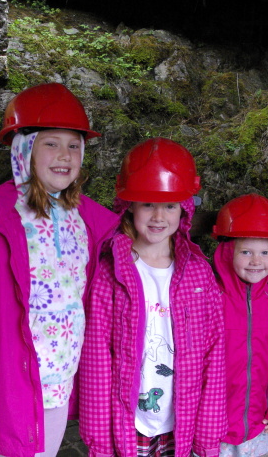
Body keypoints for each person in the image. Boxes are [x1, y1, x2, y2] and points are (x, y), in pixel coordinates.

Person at [0, 83, 119, 457]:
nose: (64, 155)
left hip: (59, 388)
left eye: (74, 145)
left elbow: (151, 230)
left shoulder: (89, 221)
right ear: (24, 148)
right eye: (51, 143)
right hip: (5, 392)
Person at [79, 137, 227, 457]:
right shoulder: (110, 272)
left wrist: (208, 436)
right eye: (148, 203)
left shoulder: (199, 274)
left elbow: (214, 356)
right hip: (129, 424)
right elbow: (96, 358)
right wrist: (99, 442)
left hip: (181, 422)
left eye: (170, 205)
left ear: (184, 208)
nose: (159, 216)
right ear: (129, 205)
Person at [211, 194, 268, 457]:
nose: (256, 261)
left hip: (254, 421)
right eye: (246, 251)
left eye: (265, 252)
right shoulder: (209, 296)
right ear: (228, 252)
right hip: (209, 424)